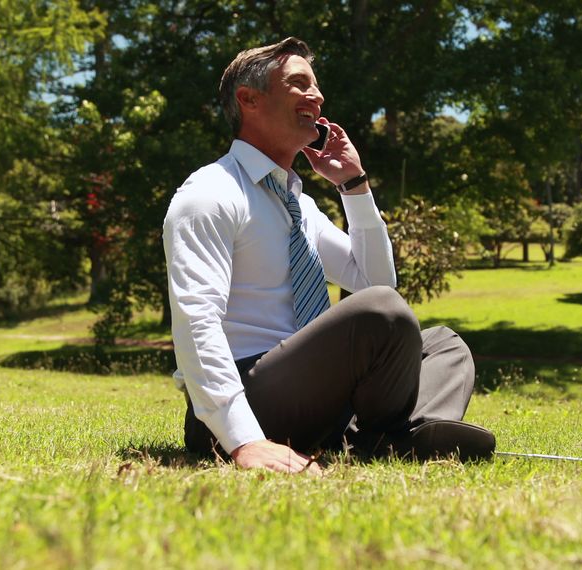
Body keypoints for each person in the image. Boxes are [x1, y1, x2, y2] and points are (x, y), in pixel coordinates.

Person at [163, 37, 494, 474]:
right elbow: (195, 322)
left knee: (443, 344)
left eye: (316, 86)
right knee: (382, 312)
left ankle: (391, 439)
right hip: (249, 396)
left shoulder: (298, 204)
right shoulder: (210, 193)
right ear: (249, 100)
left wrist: (354, 185)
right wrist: (243, 441)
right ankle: (399, 438)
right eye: (299, 84)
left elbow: (377, 282)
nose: (317, 96)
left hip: (311, 395)